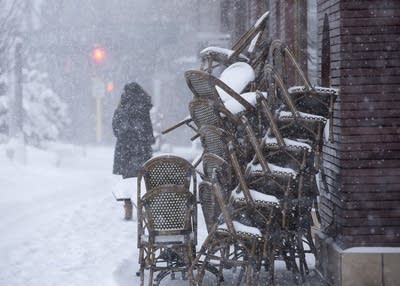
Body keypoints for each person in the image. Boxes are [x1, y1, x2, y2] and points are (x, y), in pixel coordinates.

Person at [112, 82, 155, 179]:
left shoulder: (122, 109)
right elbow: (148, 129)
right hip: (142, 150)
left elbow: (116, 130)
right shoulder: (143, 108)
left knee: (128, 180)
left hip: (125, 152)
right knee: (143, 181)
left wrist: (125, 134)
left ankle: (130, 194)